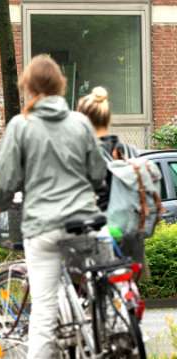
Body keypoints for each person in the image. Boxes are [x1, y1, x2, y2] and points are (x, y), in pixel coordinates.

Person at [0, 55, 107, 359]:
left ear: (27, 86)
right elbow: (97, 172)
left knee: (43, 312)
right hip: (83, 221)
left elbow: (5, 178)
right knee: (91, 290)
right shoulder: (80, 122)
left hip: (42, 226)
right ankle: (94, 327)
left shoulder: (22, 125)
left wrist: (0, 201)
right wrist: (94, 190)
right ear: (60, 84)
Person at [77, 86, 148, 278]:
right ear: (107, 119)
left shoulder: (87, 154)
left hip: (104, 236)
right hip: (132, 237)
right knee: (126, 298)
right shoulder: (129, 151)